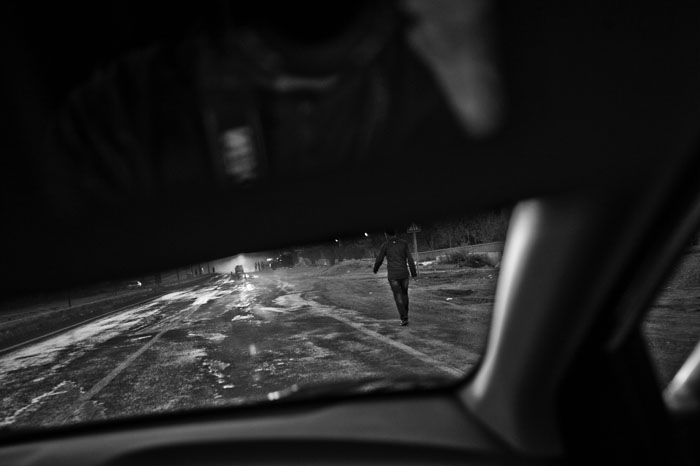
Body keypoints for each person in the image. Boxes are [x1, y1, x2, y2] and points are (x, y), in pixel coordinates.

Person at [373, 228, 417, 326]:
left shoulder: (385, 245)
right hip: (404, 274)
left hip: (393, 275)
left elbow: (379, 259)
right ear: (395, 233)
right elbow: (410, 259)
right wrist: (413, 273)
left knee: (398, 296)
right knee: (404, 294)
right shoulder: (404, 243)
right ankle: (405, 314)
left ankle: (404, 318)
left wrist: (375, 269)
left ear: (386, 234)